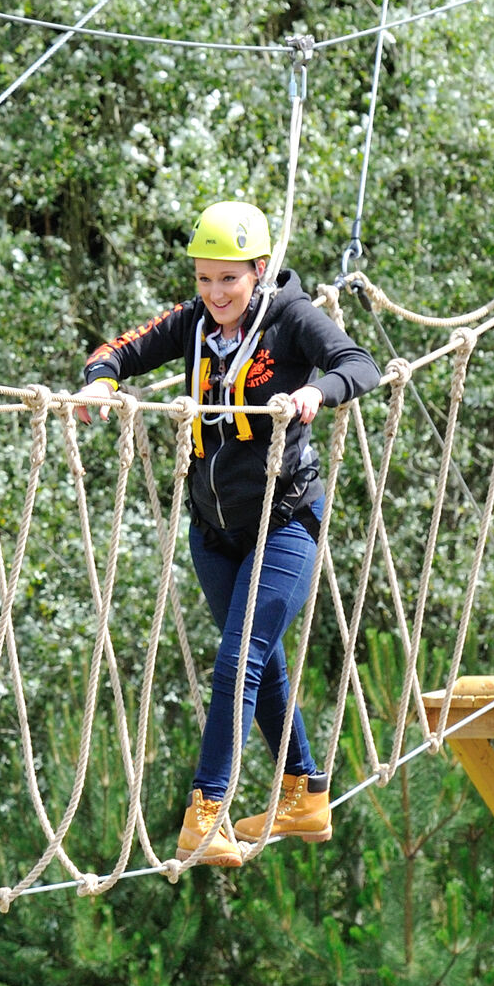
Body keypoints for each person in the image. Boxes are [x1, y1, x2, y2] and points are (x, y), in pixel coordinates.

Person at [77, 200, 380, 867]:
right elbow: (122, 350)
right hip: (214, 531)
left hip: (285, 522)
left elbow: (360, 364)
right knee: (258, 659)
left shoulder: (291, 319)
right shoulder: (191, 325)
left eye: (230, 280)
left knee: (237, 660)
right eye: (205, 278)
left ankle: (205, 811)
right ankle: (304, 792)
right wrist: (99, 382)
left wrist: (317, 393)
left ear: (259, 271)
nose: (215, 293)